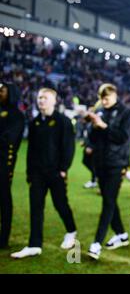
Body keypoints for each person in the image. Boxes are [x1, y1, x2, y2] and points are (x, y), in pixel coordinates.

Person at [11, 87, 77, 259]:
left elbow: (69, 147)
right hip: (37, 175)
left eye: (45, 98)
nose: (41, 101)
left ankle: (71, 231)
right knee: (36, 208)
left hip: (56, 174)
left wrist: (63, 169)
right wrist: (29, 173)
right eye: (40, 97)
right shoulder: (34, 123)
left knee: (60, 205)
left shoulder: (63, 121)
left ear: (54, 101)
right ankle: (34, 245)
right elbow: (31, 151)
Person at [86, 84, 130, 260]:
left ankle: (96, 243)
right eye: (102, 98)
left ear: (115, 95)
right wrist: (93, 126)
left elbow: (123, 137)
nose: (104, 101)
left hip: (116, 163)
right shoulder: (99, 110)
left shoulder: (126, 112)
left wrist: (103, 126)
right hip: (100, 162)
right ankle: (121, 234)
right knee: (109, 200)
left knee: (108, 203)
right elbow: (92, 137)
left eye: (107, 98)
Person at [0, 82, 25, 248]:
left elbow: (11, 139)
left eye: (2, 90)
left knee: (3, 198)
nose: (0, 93)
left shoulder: (16, 114)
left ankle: (4, 238)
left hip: (4, 160)